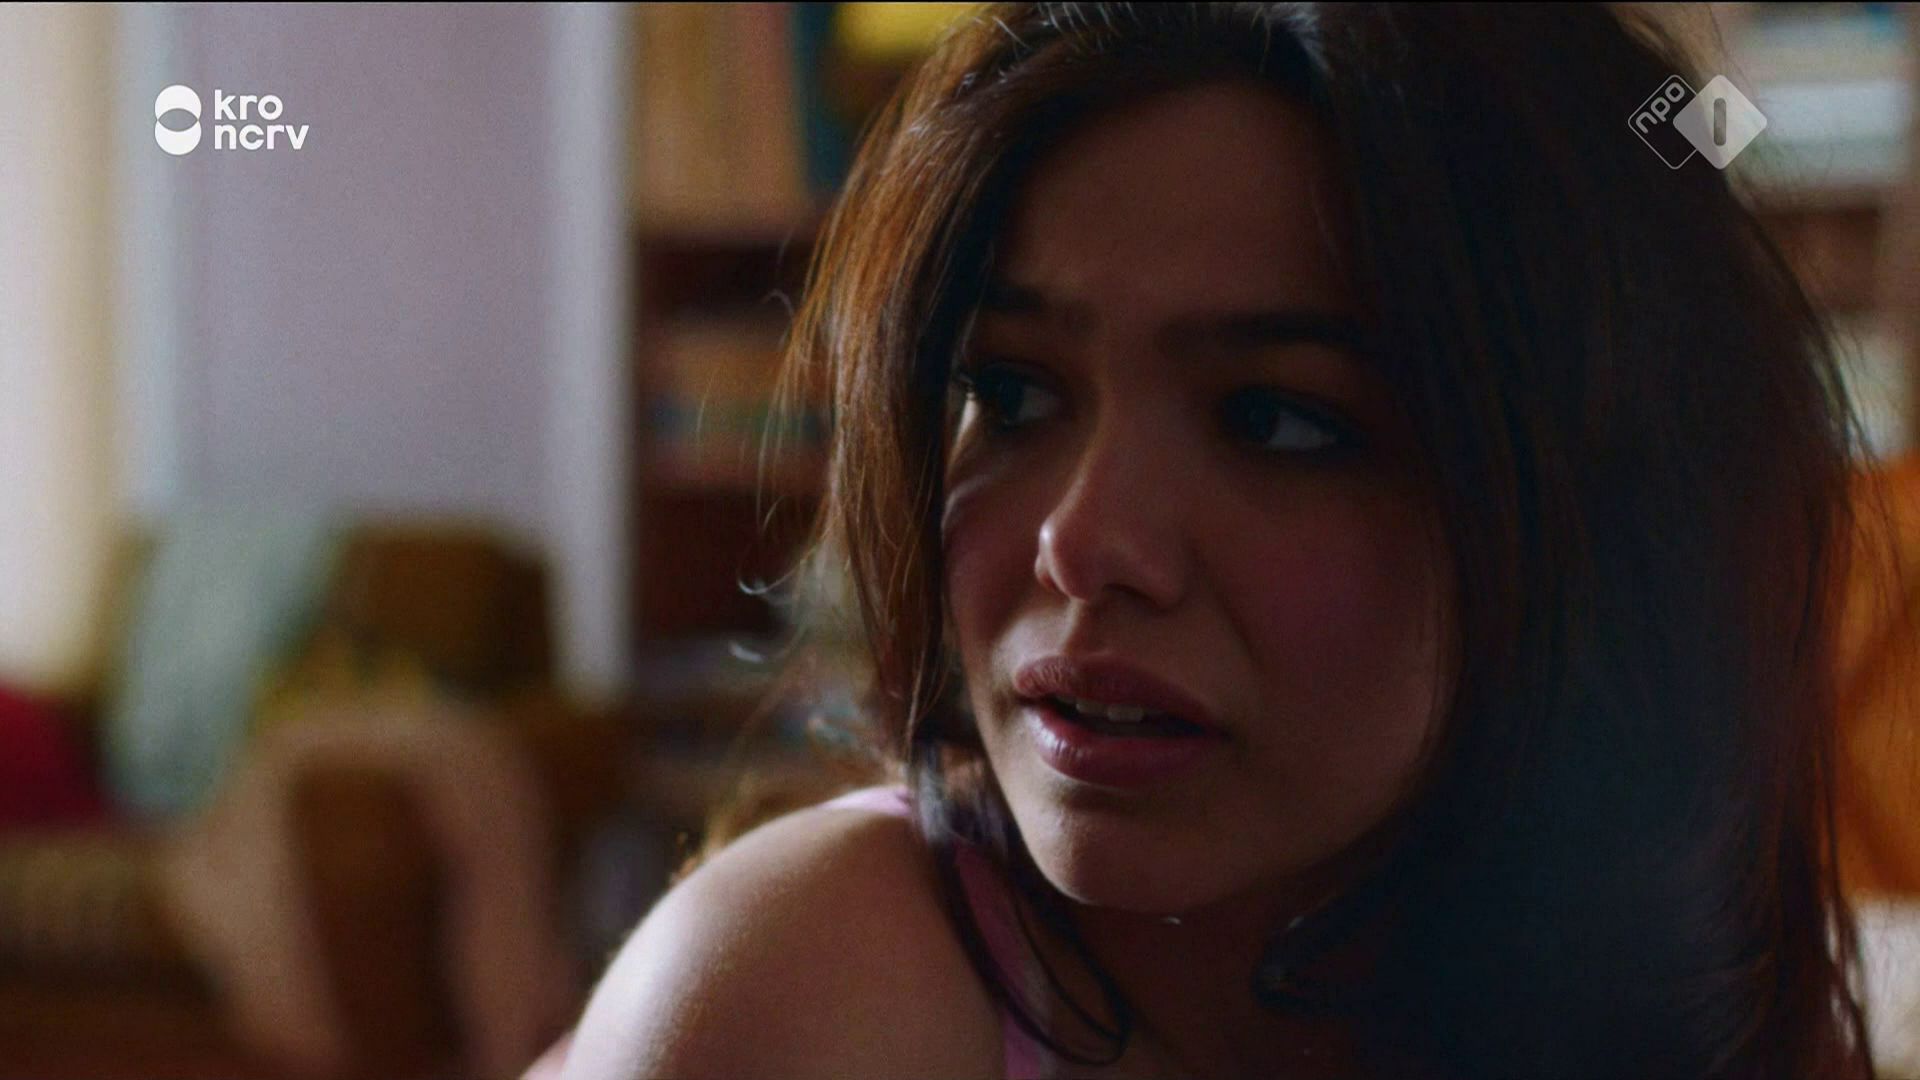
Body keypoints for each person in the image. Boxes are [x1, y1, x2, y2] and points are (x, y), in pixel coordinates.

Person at [556, 4, 1880, 1077]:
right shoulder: (825, 991)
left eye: (1276, 421)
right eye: (1009, 392)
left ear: (1604, 515)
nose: (1082, 543)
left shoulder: (1686, 994)